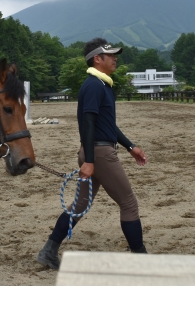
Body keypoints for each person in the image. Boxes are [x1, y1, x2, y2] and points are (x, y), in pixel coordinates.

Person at [36, 38, 148, 270]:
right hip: (100, 154)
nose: (116, 58)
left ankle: (49, 251)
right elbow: (87, 124)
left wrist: (130, 146)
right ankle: (141, 258)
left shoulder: (102, 85)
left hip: (95, 152)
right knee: (128, 204)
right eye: (111, 55)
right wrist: (89, 161)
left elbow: (106, 125)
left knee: (79, 206)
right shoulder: (95, 86)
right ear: (98, 59)